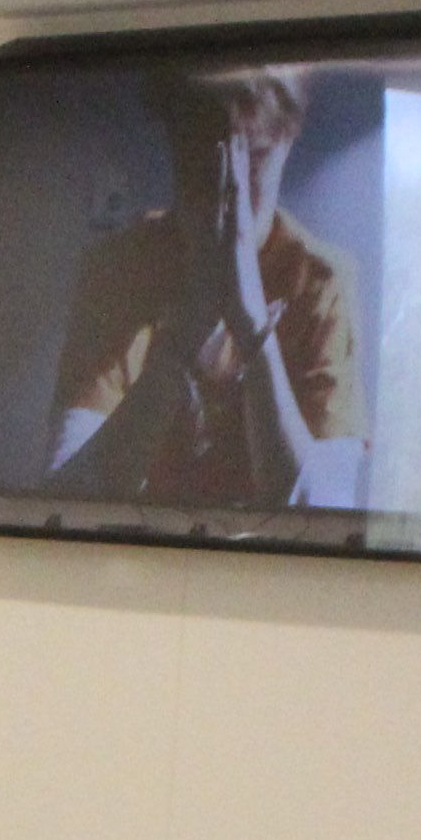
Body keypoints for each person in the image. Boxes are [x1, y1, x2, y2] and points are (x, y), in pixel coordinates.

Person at [45, 65, 364, 512]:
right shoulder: (119, 269)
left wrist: (252, 325)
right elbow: (68, 498)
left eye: (252, 161)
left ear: (287, 142)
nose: (224, 191)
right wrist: (181, 340)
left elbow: (324, 511)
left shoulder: (321, 281)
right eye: (200, 164)